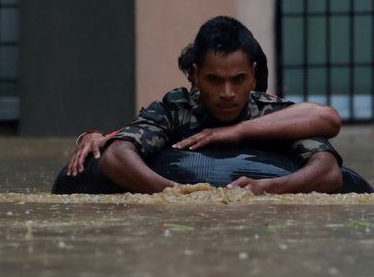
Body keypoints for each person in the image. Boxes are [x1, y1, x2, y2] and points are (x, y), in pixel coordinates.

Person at [69, 16, 344, 195]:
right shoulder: (178, 108)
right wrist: (178, 195)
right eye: (214, 80)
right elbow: (116, 158)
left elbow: (329, 166)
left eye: (238, 80)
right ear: (195, 75)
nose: (227, 93)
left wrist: (267, 185)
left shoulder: (269, 112)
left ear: (253, 75)